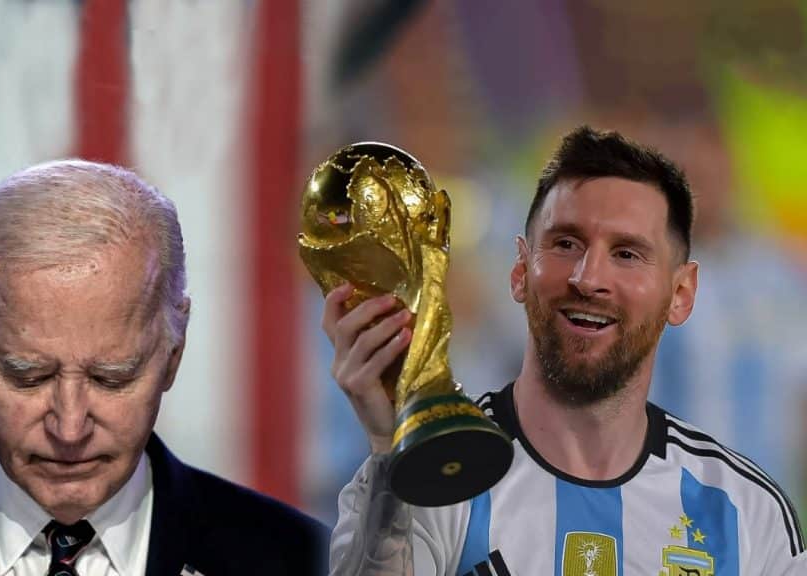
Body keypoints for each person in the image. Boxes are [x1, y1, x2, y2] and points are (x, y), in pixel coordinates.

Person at [0, 160, 329, 575]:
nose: (70, 428)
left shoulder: (299, 560)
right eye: (29, 376)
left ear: (174, 347)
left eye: (112, 376)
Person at [324, 126, 805, 575]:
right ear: (519, 271)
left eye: (627, 254)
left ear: (680, 295)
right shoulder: (438, 479)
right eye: (566, 243)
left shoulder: (748, 515)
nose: (589, 279)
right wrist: (393, 451)